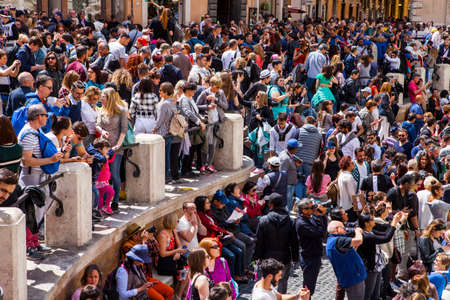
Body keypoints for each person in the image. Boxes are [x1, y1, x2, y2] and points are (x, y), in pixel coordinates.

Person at [18, 104, 64, 226]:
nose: (47, 118)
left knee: (39, 210)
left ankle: (34, 241)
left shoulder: (37, 130)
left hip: (40, 175)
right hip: (32, 176)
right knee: (32, 210)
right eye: (45, 115)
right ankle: (29, 242)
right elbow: (26, 161)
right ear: (39, 116)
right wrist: (51, 160)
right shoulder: (28, 135)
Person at [255, 193, 299, 293]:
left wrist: (256, 257)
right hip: (285, 257)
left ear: (271, 204)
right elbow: (294, 241)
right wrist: (295, 257)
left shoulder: (263, 220)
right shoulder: (289, 221)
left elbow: (259, 241)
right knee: (282, 282)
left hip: (267, 257)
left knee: (267, 283)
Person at [357, 210, 405, 300]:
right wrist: (394, 222)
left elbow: (385, 232)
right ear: (366, 223)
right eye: (372, 220)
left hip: (377, 266)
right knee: (368, 293)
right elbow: (386, 237)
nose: (374, 221)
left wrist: (396, 222)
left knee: (376, 293)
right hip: (370, 268)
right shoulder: (366, 236)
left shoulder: (371, 231)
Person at [95, 87, 128, 212]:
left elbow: (124, 129)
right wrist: (102, 131)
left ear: (109, 98)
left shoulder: (121, 110)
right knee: (102, 175)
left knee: (114, 174)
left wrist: (118, 145)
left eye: (103, 96)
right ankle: (104, 202)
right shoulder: (102, 109)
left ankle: (115, 201)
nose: (100, 98)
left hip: (116, 147)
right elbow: (97, 125)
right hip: (102, 147)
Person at [295, 198, 327, 295]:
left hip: (314, 254)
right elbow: (320, 233)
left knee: (310, 287)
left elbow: (323, 231)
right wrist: (318, 217)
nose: (313, 209)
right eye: (311, 208)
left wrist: (322, 216)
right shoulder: (301, 223)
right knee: (308, 288)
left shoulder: (310, 218)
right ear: (304, 210)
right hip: (309, 257)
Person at [326, 220, 365, 300]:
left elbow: (350, 250)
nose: (345, 230)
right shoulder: (338, 241)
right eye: (343, 228)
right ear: (337, 229)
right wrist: (358, 231)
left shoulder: (334, 240)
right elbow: (359, 241)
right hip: (353, 278)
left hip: (351, 276)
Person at [156, 213, 188, 299]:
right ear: (172, 222)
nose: (178, 222)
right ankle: (178, 295)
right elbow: (162, 254)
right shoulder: (163, 235)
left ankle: (182, 294)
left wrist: (178, 252)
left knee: (187, 269)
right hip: (164, 262)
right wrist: (177, 251)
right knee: (184, 271)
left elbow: (179, 245)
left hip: (173, 258)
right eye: (177, 221)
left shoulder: (173, 231)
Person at [153, 82, 176, 180]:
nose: (159, 92)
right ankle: (166, 175)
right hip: (170, 132)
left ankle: (163, 176)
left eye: (161, 90)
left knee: (161, 156)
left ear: (166, 92)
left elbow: (160, 120)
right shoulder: (172, 102)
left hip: (162, 132)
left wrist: (154, 128)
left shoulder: (164, 104)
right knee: (166, 155)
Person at [296, 116, 322, 199]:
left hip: (298, 161)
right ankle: (305, 202)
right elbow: (319, 149)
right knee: (308, 183)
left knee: (299, 181)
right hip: (311, 162)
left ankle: (299, 201)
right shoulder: (319, 135)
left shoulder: (299, 131)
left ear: (305, 122)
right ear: (314, 123)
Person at [279, 139, 302, 211]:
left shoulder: (285, 153)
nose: (297, 149)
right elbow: (283, 173)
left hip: (290, 184)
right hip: (287, 185)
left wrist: (297, 161)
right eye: (297, 148)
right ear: (294, 148)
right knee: (288, 205)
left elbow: (292, 157)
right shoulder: (286, 158)